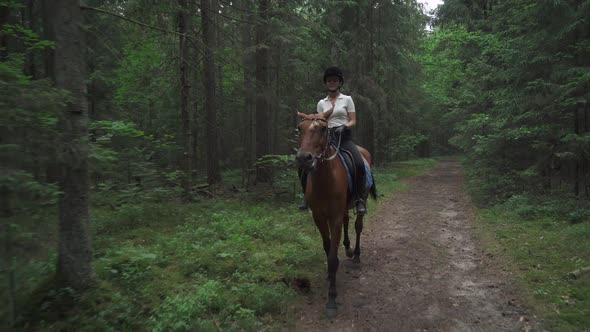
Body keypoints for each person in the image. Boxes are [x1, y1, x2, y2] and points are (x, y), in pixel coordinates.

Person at [299, 66, 367, 215]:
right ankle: (307, 198)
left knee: (358, 163)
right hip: (326, 138)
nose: (332, 83)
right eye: (329, 80)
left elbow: (353, 120)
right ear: (326, 83)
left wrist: (344, 126)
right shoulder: (321, 103)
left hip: (344, 137)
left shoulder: (347, 99)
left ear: (339, 82)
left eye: (335, 80)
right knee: (303, 163)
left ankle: (360, 199)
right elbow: (318, 122)